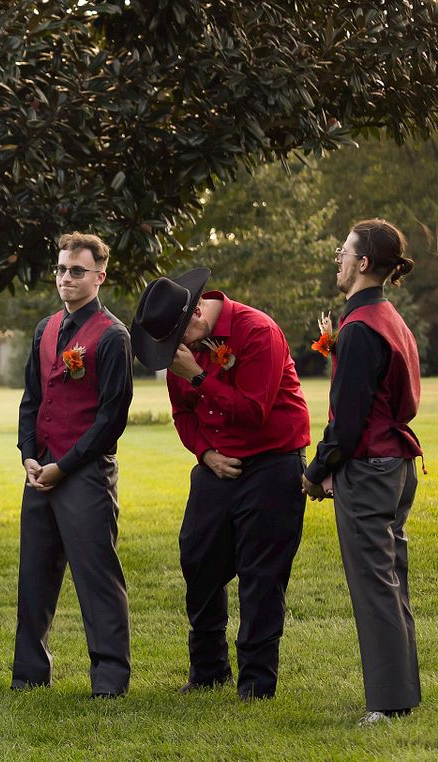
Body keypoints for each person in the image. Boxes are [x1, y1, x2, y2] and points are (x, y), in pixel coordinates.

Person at [131, 269, 311, 700]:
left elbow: (253, 412)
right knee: (197, 559)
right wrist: (204, 453)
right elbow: (183, 415)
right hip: (215, 466)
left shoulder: (256, 331)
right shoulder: (183, 350)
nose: (176, 351)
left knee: (260, 574)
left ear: (195, 312)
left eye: (178, 338)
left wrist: (197, 375)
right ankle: (209, 670)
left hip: (272, 461)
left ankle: (256, 683)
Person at [302, 219, 424, 726]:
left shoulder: (361, 329)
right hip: (394, 464)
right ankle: (402, 691)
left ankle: (389, 701)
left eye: (344, 251)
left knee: (374, 583)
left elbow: (347, 423)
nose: (339, 258)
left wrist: (317, 471)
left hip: (371, 467)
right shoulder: (387, 317)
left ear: (364, 263)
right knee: (391, 578)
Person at [12, 232, 132, 698]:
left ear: (100, 276)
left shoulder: (113, 336)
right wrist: (28, 455)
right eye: (62, 269)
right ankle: (28, 675)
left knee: (97, 578)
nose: (66, 278)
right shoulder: (44, 328)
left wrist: (64, 465)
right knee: (34, 576)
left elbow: (111, 419)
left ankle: (109, 680)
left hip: (85, 475)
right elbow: (32, 399)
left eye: (77, 271)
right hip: (38, 473)